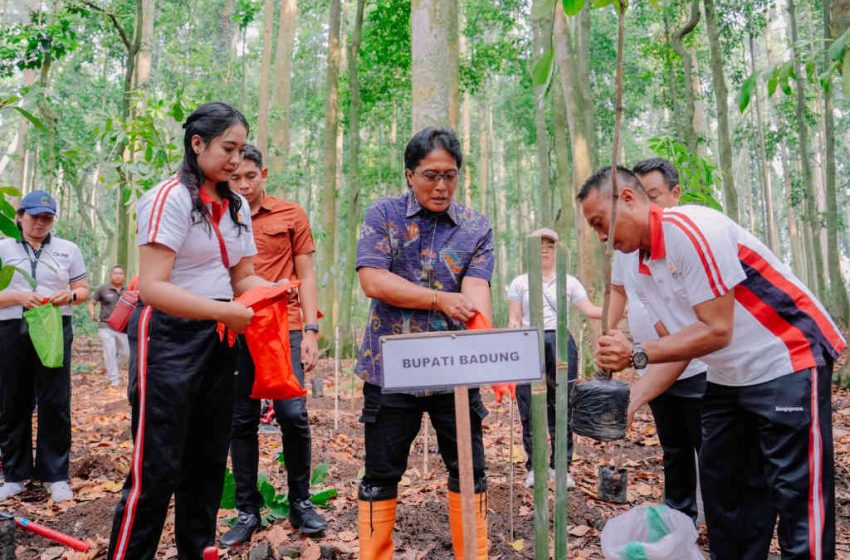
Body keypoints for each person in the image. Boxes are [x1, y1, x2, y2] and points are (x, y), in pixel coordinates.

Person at [580, 165, 844, 560]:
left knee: (796, 492)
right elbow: (679, 345)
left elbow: (717, 329)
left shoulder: (690, 229)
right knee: (726, 492)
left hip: (787, 356)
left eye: (602, 222)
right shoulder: (638, 265)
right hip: (726, 374)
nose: (602, 236)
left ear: (630, 200)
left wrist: (636, 353)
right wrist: (629, 402)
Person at [107, 102, 274, 560]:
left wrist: (274, 290)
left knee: (206, 462)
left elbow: (242, 277)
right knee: (158, 464)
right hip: (167, 337)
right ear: (197, 143)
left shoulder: (236, 204)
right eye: (227, 148)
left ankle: (196, 551)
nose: (236, 162)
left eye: (241, 151)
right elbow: (156, 288)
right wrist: (221, 312)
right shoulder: (169, 199)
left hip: (220, 338)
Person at [355, 127, 493, 560]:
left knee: (469, 469)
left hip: (456, 370)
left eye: (450, 175)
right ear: (410, 173)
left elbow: (476, 294)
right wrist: (438, 299)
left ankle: (474, 553)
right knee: (381, 471)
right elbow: (372, 279)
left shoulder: (476, 227)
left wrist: (489, 353)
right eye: (431, 175)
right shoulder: (383, 215)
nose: (441, 186)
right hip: (390, 369)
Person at [219, 145, 326, 546]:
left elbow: (307, 274)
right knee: (240, 418)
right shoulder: (221, 215)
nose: (244, 185)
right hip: (239, 325)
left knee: (293, 413)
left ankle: (302, 501)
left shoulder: (291, 214)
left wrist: (312, 330)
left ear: (264, 173)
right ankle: (247, 511)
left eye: (251, 176)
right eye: (235, 178)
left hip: (287, 325)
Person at [607, 158, 707, 523]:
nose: (647, 207)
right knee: (673, 445)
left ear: (675, 193)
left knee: (707, 445)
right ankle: (680, 515)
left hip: (696, 364)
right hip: (653, 363)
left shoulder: (689, 242)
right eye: (639, 198)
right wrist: (608, 330)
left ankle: (720, 517)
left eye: (655, 196)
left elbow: (691, 335)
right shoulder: (630, 246)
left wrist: (635, 385)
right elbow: (618, 289)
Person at [0, 190, 89, 503]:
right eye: (34, 216)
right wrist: (18, 297)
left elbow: (83, 289)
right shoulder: (4, 248)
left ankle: (54, 475)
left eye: (47, 218)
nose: (40, 223)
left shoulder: (67, 249)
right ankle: (15, 474)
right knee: (12, 400)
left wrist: (72, 296)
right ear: (20, 215)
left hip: (54, 327)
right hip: (10, 327)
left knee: (54, 400)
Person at [505, 227, 601, 489]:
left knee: (561, 406)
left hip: (560, 342)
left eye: (550, 244)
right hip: (528, 343)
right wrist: (513, 332)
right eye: (540, 244)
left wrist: (619, 309)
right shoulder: (520, 282)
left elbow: (590, 309)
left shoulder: (569, 281)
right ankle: (535, 467)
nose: (545, 249)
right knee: (529, 406)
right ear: (531, 251)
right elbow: (514, 317)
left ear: (557, 250)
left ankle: (561, 467)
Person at [89, 265, 131, 386]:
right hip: (105, 326)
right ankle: (114, 379)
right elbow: (92, 303)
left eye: (121, 273)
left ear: (124, 276)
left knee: (126, 353)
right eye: (115, 273)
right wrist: (93, 314)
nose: (118, 276)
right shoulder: (103, 289)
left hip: (123, 327)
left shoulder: (128, 290)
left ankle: (114, 371)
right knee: (110, 352)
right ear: (111, 275)